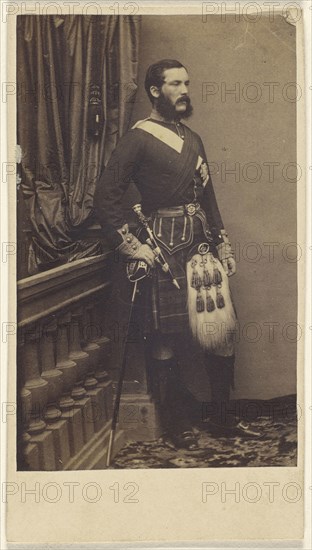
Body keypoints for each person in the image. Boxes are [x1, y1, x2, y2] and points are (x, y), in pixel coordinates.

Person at [94, 59, 260, 450]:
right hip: (163, 245)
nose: (184, 90)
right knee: (166, 338)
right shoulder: (138, 138)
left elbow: (209, 197)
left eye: (187, 83)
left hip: (201, 244)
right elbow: (106, 197)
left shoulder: (194, 138)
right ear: (155, 91)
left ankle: (221, 418)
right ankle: (176, 424)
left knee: (221, 333)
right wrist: (134, 247)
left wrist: (222, 243)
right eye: (175, 84)